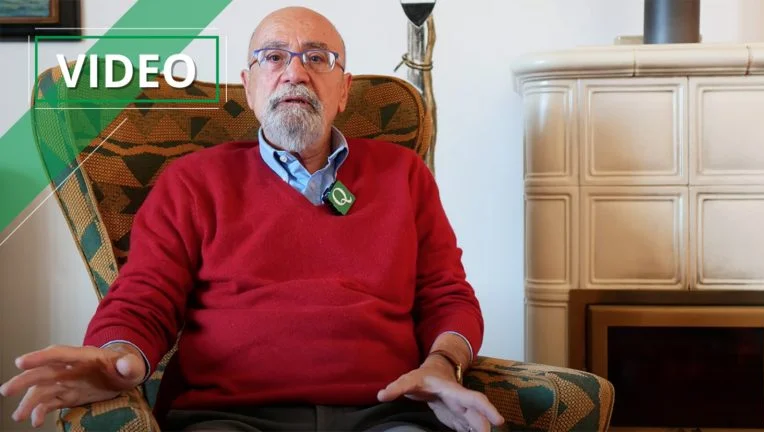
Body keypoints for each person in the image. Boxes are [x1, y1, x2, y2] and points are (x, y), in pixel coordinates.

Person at [0, 7, 504, 432]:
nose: (295, 73)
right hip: (229, 416)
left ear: (343, 90)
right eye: (273, 57)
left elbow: (447, 295)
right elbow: (144, 299)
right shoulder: (192, 181)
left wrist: (444, 363)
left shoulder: (404, 174)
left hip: (386, 412)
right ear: (249, 86)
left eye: (317, 58)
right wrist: (117, 358)